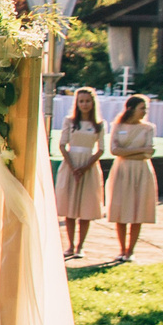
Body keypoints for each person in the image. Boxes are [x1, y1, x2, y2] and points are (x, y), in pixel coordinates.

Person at [105, 92, 159, 263]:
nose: (144, 111)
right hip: (122, 170)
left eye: (146, 108)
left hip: (141, 171)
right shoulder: (118, 126)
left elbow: (149, 152)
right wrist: (138, 151)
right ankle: (121, 248)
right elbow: (114, 150)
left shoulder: (148, 128)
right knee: (121, 208)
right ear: (131, 108)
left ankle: (130, 250)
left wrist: (128, 153)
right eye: (141, 108)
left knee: (138, 208)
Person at [56, 87, 105, 260]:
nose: (85, 104)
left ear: (93, 103)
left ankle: (80, 246)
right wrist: (73, 167)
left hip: (88, 167)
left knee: (85, 208)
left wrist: (84, 167)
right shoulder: (69, 121)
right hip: (71, 164)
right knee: (70, 208)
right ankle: (69, 245)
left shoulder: (99, 124)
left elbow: (101, 149)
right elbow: (62, 145)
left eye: (88, 101)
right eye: (81, 101)